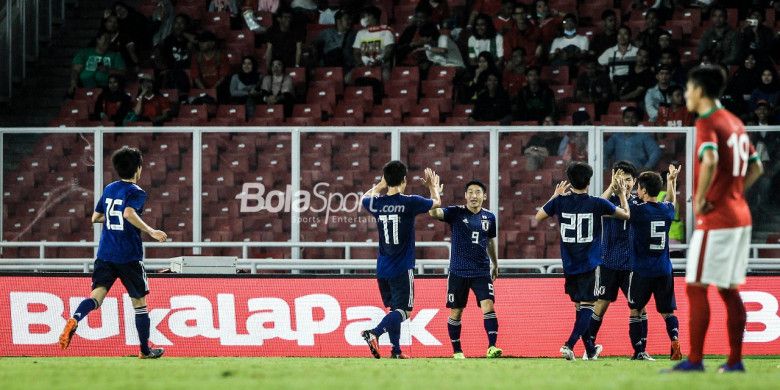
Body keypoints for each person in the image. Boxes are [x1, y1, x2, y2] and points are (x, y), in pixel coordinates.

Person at [671, 65, 764, 372]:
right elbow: (756, 167)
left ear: (699, 91)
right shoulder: (735, 121)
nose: (686, 95)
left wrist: (700, 199)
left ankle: (695, 361)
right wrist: (734, 192)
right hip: (740, 216)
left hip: (718, 219)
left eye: (688, 89)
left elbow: (709, 159)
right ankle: (735, 361)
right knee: (727, 288)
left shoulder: (707, 121)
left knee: (695, 286)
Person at [58, 146, 168, 358]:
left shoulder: (109, 188)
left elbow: (95, 217)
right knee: (140, 304)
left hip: (105, 254)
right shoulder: (136, 192)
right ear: (138, 169)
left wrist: (112, 216)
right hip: (128, 256)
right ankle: (145, 351)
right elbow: (128, 213)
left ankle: (75, 318)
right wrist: (151, 230)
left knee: (96, 297)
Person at [535, 162, 631, 360]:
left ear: (569, 181)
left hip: (570, 264)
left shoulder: (560, 202)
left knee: (580, 308)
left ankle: (590, 348)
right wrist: (620, 193)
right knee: (587, 306)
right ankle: (568, 344)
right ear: (589, 180)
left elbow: (538, 216)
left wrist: (555, 196)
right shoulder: (597, 203)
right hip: (590, 263)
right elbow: (626, 214)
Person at [360, 162, 441, 359]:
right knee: (405, 312)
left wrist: (380, 185)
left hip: (382, 269)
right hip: (402, 267)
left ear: (386, 179)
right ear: (404, 180)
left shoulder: (376, 203)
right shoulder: (410, 202)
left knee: (394, 310)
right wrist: (433, 187)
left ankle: (396, 351)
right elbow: (436, 203)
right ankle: (375, 333)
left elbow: (364, 198)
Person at [429, 180, 501, 359]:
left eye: (478, 192)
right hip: (458, 271)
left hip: (481, 271)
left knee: (488, 306)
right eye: (470, 192)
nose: (474, 195)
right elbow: (433, 212)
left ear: (484, 196)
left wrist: (495, 263)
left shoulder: (490, 217)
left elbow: (490, 241)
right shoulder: (455, 212)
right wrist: (434, 192)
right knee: (456, 311)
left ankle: (492, 347)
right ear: (466, 195)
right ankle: (457, 351)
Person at [588, 162, 646, 360]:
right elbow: (594, 208)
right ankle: (589, 349)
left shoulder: (638, 203)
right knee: (601, 305)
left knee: (638, 306)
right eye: (622, 179)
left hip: (632, 264)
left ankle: (640, 351)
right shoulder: (608, 200)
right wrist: (612, 187)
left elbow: (630, 216)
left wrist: (622, 194)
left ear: (635, 181)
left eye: (629, 180)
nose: (626, 184)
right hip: (608, 262)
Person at [627, 168, 682, 362]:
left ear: (642, 190)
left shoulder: (637, 210)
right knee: (667, 311)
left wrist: (619, 191)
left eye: (638, 188)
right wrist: (672, 182)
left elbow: (625, 208)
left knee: (636, 309)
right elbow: (671, 201)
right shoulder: (666, 210)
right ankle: (674, 339)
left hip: (642, 270)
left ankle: (639, 351)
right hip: (664, 269)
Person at [155, 13, 196, 96]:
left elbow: (197, 41)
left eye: (181, 23)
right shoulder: (168, 39)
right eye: (176, 23)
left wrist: (183, 33)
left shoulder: (190, 38)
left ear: (186, 25)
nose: (178, 25)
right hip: (173, 72)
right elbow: (158, 53)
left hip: (188, 70)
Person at [351, 5, 395, 82]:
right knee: (348, 78)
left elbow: (389, 50)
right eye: (364, 16)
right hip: (363, 65)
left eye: (366, 16)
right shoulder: (360, 33)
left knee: (386, 76)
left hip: (381, 65)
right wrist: (361, 64)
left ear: (374, 17)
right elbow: (356, 52)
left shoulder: (386, 31)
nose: (364, 18)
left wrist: (380, 61)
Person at [190, 31, 230, 103]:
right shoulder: (196, 57)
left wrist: (212, 91)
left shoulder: (221, 56)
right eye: (200, 42)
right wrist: (205, 91)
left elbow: (223, 77)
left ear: (212, 43)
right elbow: (196, 77)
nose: (200, 44)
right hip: (202, 89)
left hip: (218, 89)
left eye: (204, 42)